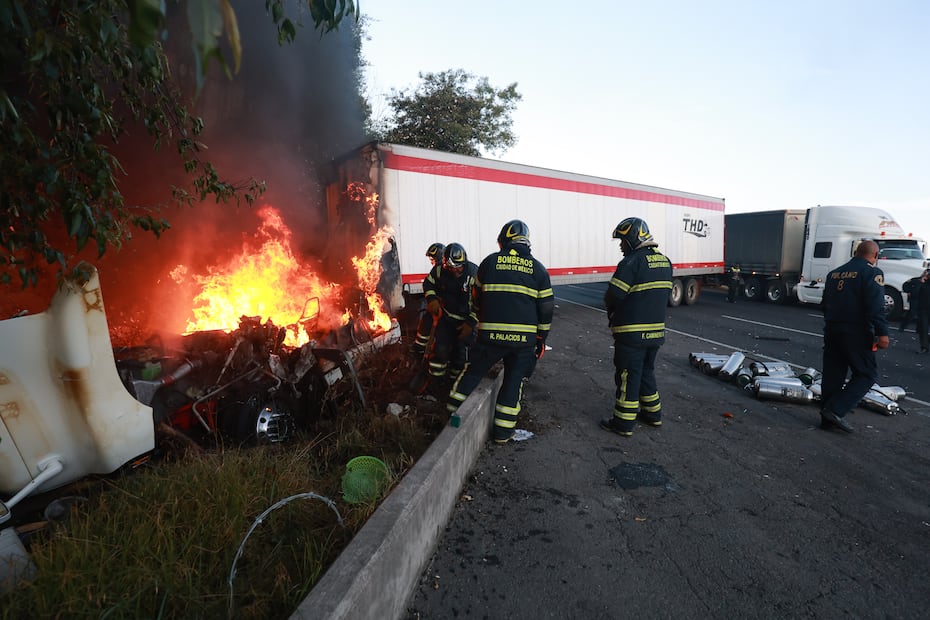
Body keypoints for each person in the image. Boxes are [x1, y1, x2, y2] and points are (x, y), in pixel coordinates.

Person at [446, 220, 554, 444]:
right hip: (523, 342)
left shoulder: (489, 263)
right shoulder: (538, 269)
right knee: (514, 380)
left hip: (490, 337)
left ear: (503, 241)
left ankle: (451, 415)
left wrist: (481, 316)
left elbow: (474, 296)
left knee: (473, 371)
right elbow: (546, 309)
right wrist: (541, 339)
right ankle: (503, 433)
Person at [600, 217, 673, 437]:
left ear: (633, 238)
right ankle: (653, 414)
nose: (621, 246)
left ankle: (623, 423)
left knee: (627, 376)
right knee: (646, 372)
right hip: (655, 333)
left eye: (623, 241)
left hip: (631, 334)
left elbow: (614, 295)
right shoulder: (665, 262)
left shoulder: (631, 262)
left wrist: (611, 312)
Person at [819, 239, 890, 433]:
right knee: (866, 374)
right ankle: (835, 410)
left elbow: (824, 303)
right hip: (856, 330)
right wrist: (882, 333)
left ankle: (827, 418)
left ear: (856, 252)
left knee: (834, 373)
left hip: (833, 328)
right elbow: (876, 306)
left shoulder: (834, 274)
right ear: (875, 255)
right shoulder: (872, 272)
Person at [422, 243, 478, 382]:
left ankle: (455, 382)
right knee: (440, 350)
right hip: (446, 319)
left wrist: (471, 323)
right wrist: (432, 299)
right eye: (453, 268)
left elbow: (482, 302)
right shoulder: (440, 270)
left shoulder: (473, 274)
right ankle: (436, 383)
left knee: (461, 355)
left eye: (459, 266)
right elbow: (429, 283)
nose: (457, 270)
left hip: (465, 322)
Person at [411, 242, 445, 354]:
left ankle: (436, 350)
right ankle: (420, 348)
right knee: (426, 320)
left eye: (433, 258)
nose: (431, 261)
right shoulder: (436, 270)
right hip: (439, 306)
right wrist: (432, 300)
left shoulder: (446, 269)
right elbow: (428, 284)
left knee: (442, 331)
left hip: (450, 309)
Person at [915, 269, 930, 353]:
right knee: (923, 328)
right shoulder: (922, 284)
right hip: (923, 308)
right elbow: (915, 293)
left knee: (924, 328)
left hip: (924, 308)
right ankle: (924, 346)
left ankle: (925, 344)